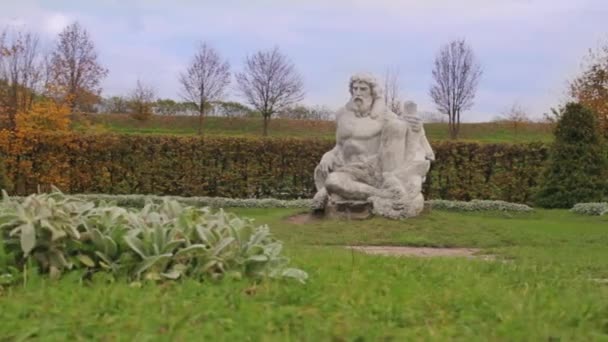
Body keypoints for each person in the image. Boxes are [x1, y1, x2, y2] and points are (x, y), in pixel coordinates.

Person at [312, 73, 432, 218]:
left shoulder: (383, 115)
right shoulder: (341, 115)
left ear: (372, 92)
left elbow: (406, 130)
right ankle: (384, 194)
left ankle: (390, 185)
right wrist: (327, 156)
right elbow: (339, 146)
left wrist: (418, 128)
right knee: (332, 181)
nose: (357, 93)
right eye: (355, 89)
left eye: (363, 89)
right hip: (349, 171)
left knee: (397, 126)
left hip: (377, 169)